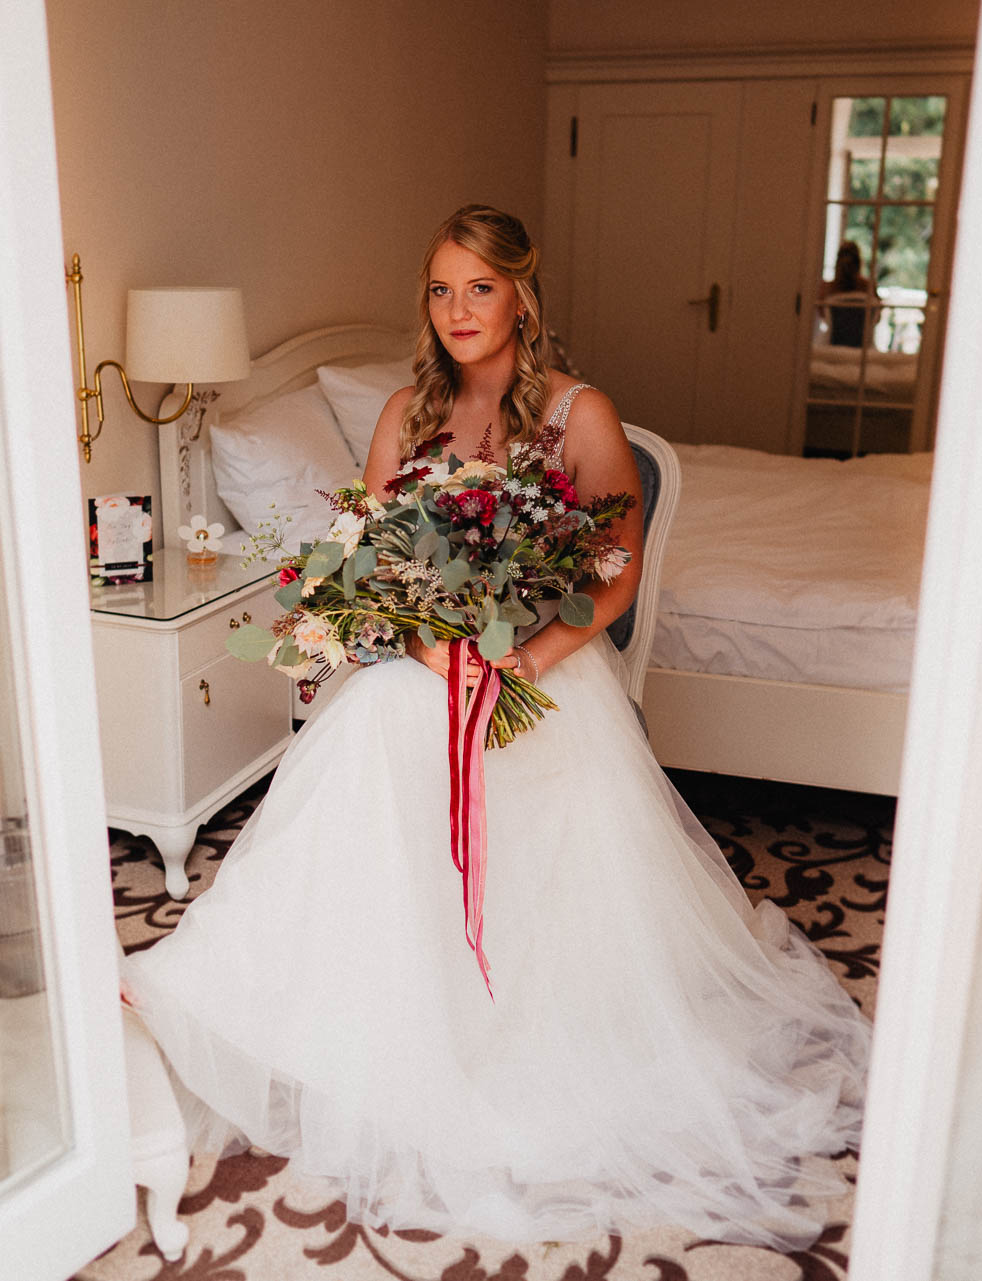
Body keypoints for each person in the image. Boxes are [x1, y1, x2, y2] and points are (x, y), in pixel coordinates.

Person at [122, 204, 872, 1251]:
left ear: (522, 294)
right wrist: (423, 637)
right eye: (440, 288)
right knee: (375, 715)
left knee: (404, 728)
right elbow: (372, 554)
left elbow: (611, 574)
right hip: (425, 661)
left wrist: (516, 660)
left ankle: (481, 1020)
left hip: (542, 669)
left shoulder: (580, 414)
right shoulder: (402, 414)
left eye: (479, 287)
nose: (459, 309)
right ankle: (251, 991)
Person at [820, 239, 873, 348]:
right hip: (863, 351)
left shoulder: (827, 289)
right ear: (859, 263)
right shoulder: (869, 287)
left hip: (832, 349)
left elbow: (822, 315)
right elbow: (876, 318)